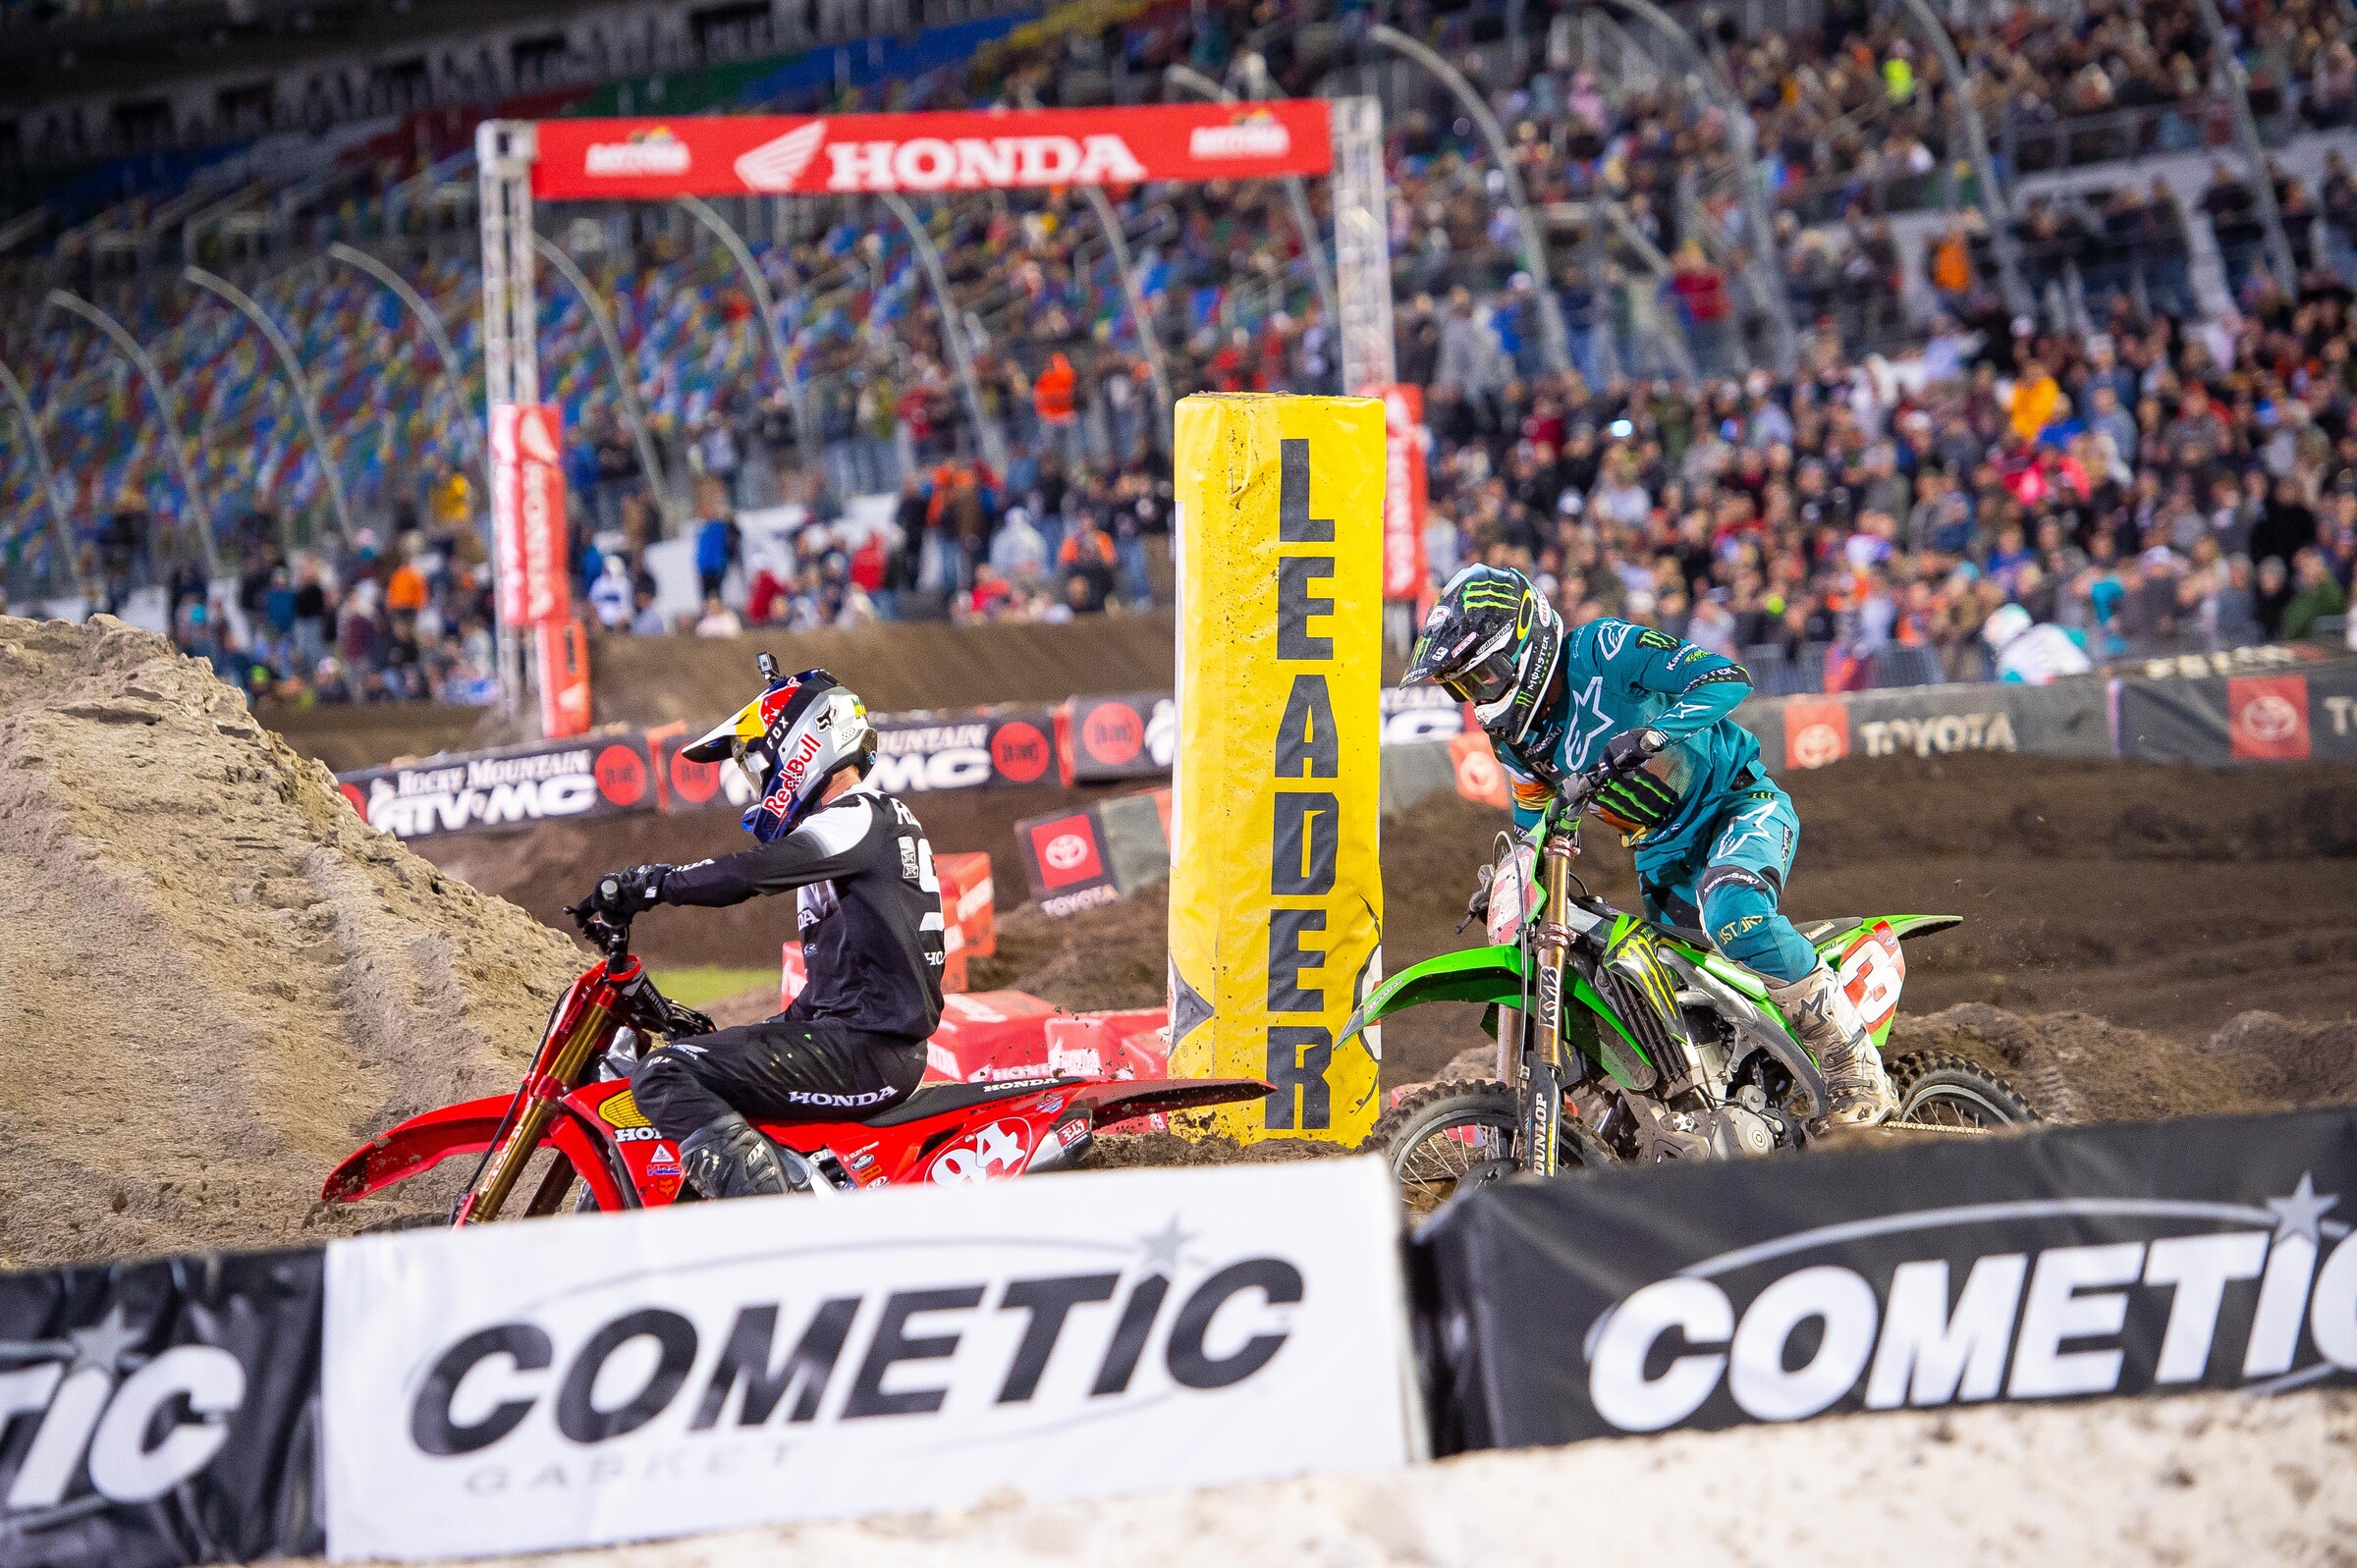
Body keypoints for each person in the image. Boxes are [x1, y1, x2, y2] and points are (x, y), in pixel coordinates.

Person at [1402, 564, 1897, 1129]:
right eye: (1463, 686)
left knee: (1733, 912)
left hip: (1735, 806)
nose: (1478, 695)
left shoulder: (1605, 649)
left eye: (1484, 676)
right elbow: (1532, 818)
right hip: (1662, 856)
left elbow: (1725, 678)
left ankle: (1853, 1068)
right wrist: (1510, 877)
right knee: (1653, 999)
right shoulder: (1518, 739)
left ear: (1526, 640)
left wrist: (1653, 734)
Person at [582, 667, 947, 1199]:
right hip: (861, 1045)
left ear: (803, 748)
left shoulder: (859, 817)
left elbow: (747, 875)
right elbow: (838, 990)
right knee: (699, 1059)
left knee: (664, 1074)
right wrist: (743, 1036)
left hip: (866, 1053)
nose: (758, 784)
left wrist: (656, 884)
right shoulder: (864, 831)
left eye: (757, 764)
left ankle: (769, 1228)